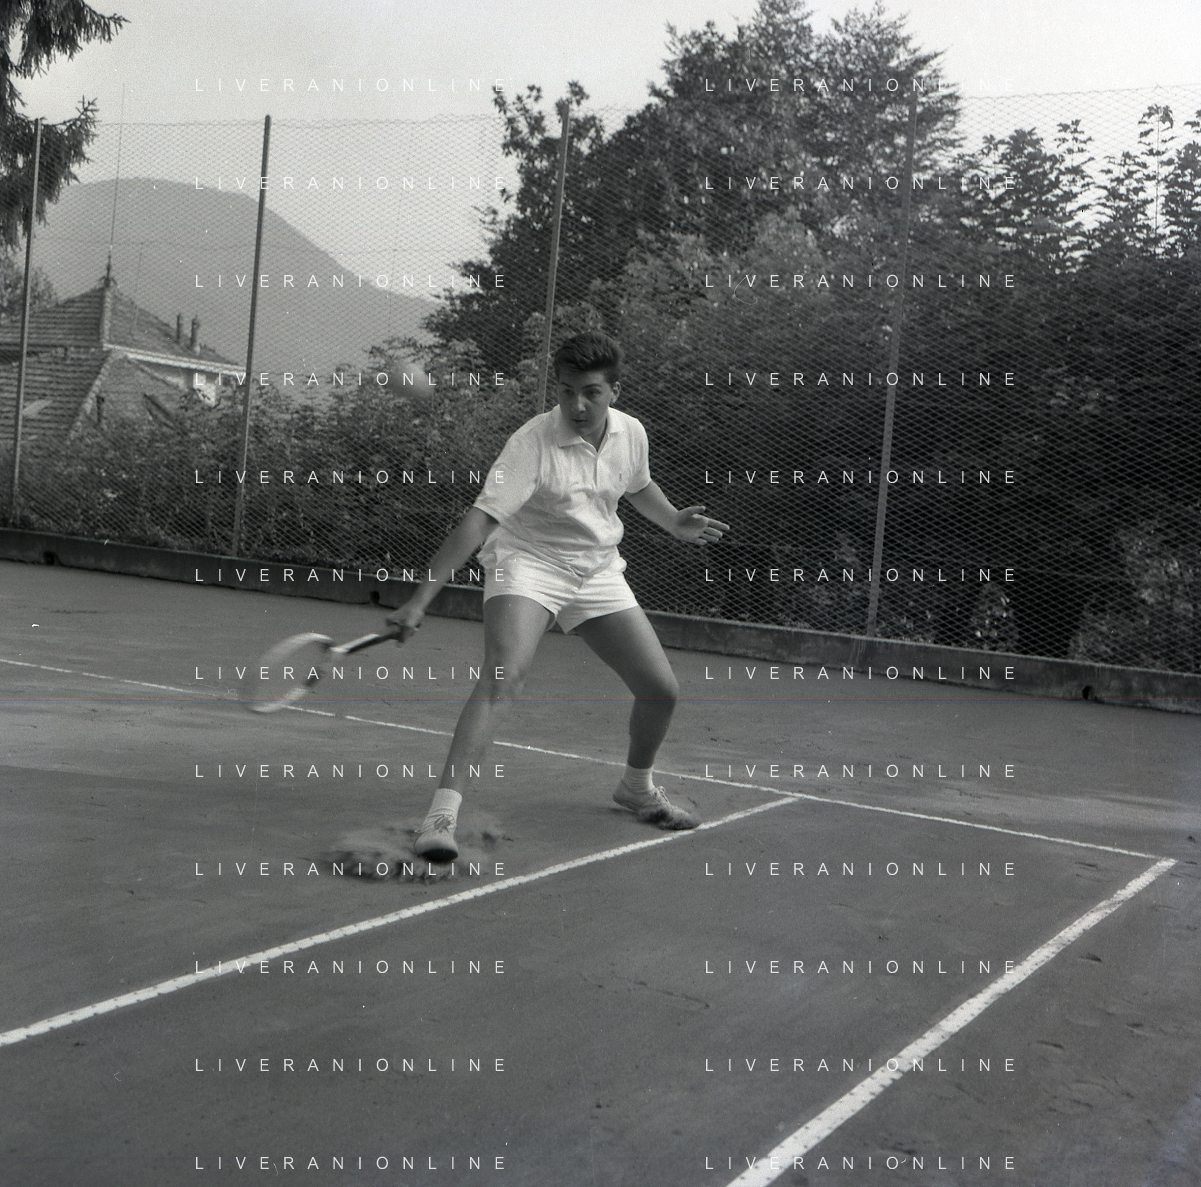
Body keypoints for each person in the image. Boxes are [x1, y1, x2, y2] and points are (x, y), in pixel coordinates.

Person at [386, 331, 728, 862]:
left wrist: (671, 521)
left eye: (591, 392)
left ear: (614, 391)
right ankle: (441, 816)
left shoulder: (631, 432)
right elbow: (478, 521)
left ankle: (636, 787)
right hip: (528, 562)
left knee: (660, 690)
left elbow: (637, 485)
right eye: (567, 391)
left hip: (596, 568)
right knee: (503, 677)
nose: (577, 405)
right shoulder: (531, 443)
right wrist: (420, 599)